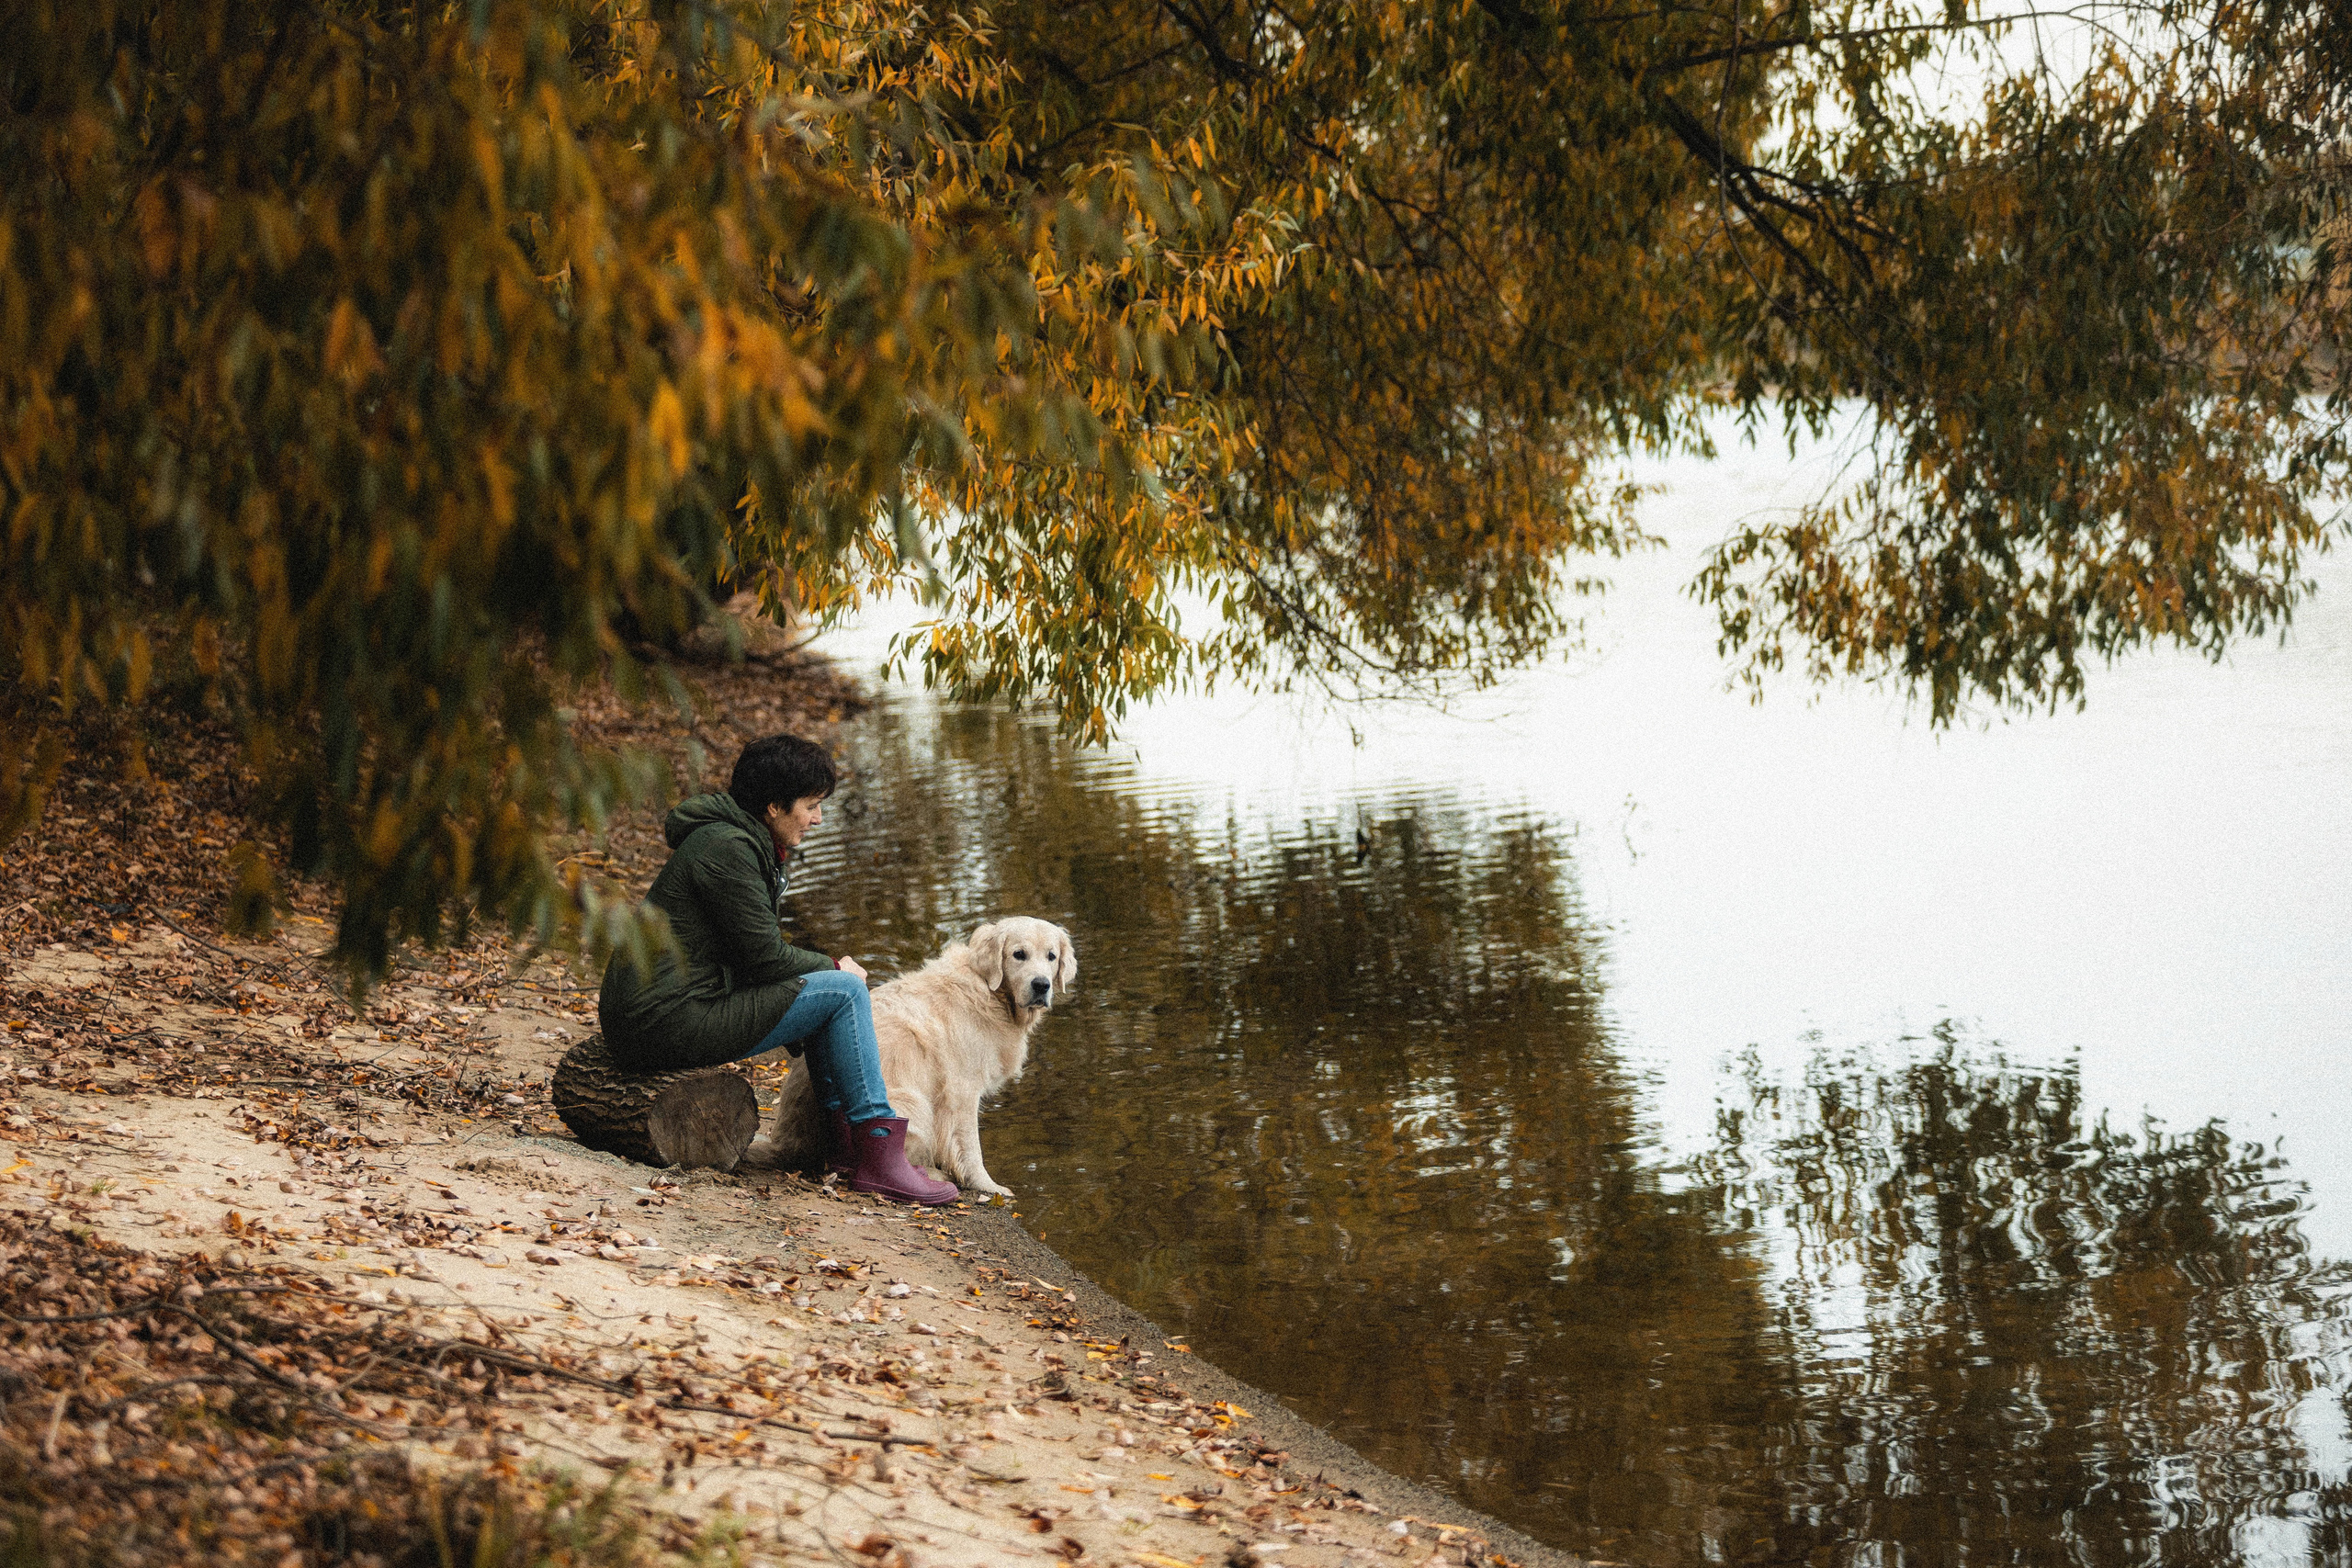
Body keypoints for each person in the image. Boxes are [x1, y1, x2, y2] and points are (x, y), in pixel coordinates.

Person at [596, 734, 956, 1206]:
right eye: (810, 806)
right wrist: (834, 968)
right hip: (663, 1022)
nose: (818, 818)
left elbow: (749, 955)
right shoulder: (728, 851)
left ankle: (845, 1149)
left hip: (660, 1015)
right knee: (844, 991)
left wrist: (809, 994)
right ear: (772, 807)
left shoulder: (737, 840)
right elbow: (764, 958)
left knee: (829, 994)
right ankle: (879, 1157)